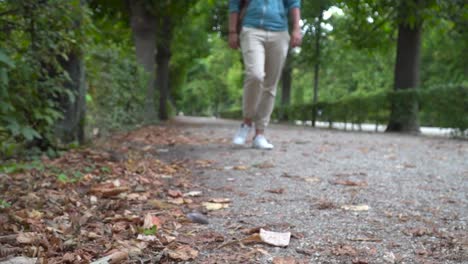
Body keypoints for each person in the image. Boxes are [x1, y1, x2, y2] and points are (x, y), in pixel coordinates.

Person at [228, 0, 302, 150]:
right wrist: (232, 31)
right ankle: (246, 123)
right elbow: (234, 4)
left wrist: (296, 28)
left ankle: (260, 134)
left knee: (270, 84)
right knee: (255, 75)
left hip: (279, 33)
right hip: (251, 29)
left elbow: (294, 3)